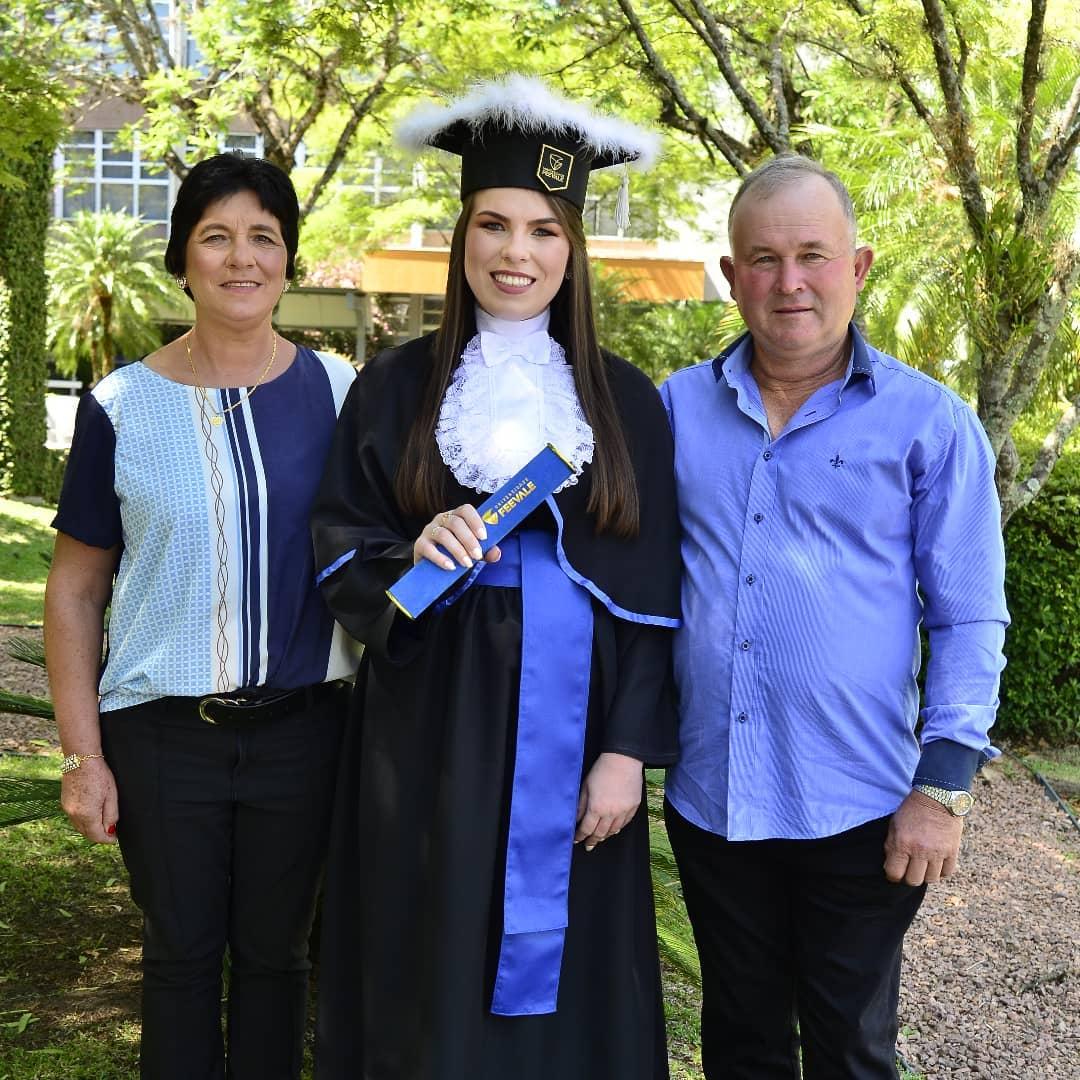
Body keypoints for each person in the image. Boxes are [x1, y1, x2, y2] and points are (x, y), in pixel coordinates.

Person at [311, 76, 681, 1080]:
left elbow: (653, 604)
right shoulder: (394, 385)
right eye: (494, 225)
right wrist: (408, 556)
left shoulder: (629, 407)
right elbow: (340, 540)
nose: (517, 253)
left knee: (568, 966)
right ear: (462, 236)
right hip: (424, 725)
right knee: (424, 946)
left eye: (544, 231)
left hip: (576, 735)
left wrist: (623, 754)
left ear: (574, 249)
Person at [660, 152, 1009, 1078]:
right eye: (764, 259)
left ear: (856, 268)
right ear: (731, 278)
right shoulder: (672, 413)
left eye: (813, 255)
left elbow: (970, 616)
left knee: (851, 1044)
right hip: (712, 795)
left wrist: (941, 788)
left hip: (860, 802)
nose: (790, 282)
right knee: (740, 1039)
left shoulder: (930, 423)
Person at [44, 152, 358, 1080]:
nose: (241, 257)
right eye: (216, 236)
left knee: (277, 960)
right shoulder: (120, 407)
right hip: (161, 736)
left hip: (305, 731)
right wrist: (81, 756)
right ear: (184, 258)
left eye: (264, 237)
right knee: (179, 960)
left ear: (289, 261)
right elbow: (74, 589)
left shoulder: (343, 396)